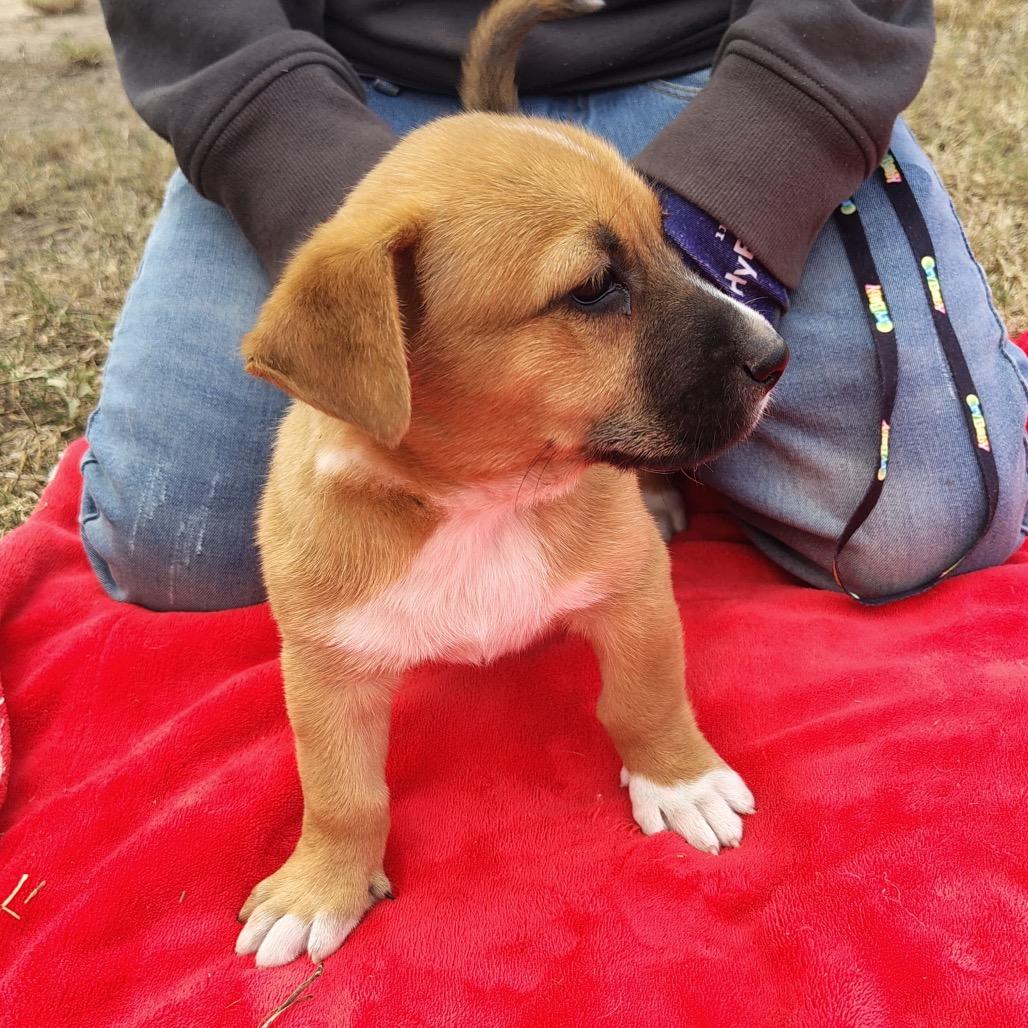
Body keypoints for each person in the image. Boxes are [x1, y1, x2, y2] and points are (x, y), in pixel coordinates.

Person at [82, 0, 1028, 612]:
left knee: (924, 528)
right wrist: (385, 231)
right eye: (593, 293)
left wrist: (750, 167)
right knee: (178, 549)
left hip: (722, 68)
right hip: (332, 91)